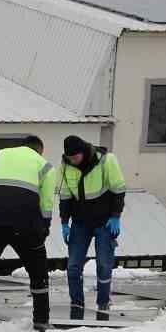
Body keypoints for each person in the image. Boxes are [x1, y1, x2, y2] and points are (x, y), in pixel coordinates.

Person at [0, 135, 57, 332]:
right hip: (26, 223)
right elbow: (46, 202)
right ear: (39, 150)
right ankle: (41, 321)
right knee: (38, 272)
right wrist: (45, 227)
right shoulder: (45, 166)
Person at [58, 135, 128, 321]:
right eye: (70, 158)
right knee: (73, 266)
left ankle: (103, 302)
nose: (73, 161)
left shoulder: (106, 160)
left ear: (83, 151)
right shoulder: (66, 165)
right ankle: (77, 303)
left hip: (105, 222)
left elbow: (119, 189)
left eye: (75, 157)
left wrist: (115, 217)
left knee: (104, 265)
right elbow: (65, 196)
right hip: (80, 223)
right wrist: (64, 222)